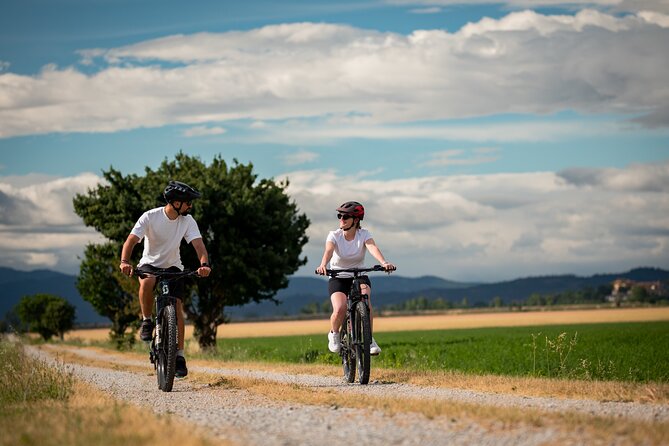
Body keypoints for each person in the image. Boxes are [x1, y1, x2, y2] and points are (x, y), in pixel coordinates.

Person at [119, 180, 211, 378]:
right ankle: (146, 321)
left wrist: (204, 264)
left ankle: (179, 355)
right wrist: (125, 261)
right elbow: (131, 241)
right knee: (147, 281)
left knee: (177, 307)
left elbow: (199, 246)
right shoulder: (150, 217)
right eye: (188, 202)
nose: (190, 206)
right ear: (176, 203)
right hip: (149, 263)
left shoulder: (187, 221)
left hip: (173, 266)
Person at [316, 201, 396, 355]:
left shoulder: (364, 234)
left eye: (345, 216)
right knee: (340, 308)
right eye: (339, 216)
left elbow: (372, 247)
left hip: (359, 275)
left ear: (356, 220)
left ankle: (369, 339)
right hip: (338, 276)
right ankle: (334, 334)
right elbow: (329, 250)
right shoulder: (334, 235)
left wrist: (384, 262)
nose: (341, 219)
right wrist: (323, 264)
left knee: (366, 300)